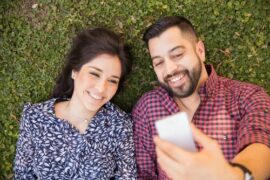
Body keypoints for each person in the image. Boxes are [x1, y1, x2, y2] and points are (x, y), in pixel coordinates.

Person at [132, 16, 270, 180]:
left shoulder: (248, 97)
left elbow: (262, 145)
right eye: (158, 62)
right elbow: (143, 174)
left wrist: (234, 175)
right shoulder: (147, 108)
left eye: (177, 54)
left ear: (200, 51)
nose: (169, 69)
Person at [14, 28, 137, 179]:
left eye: (112, 80)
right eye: (94, 73)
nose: (100, 88)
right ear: (75, 70)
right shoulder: (34, 117)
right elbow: (23, 174)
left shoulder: (120, 125)